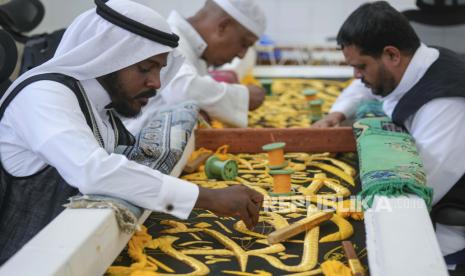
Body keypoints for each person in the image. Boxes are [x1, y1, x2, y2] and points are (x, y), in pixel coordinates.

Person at [0, 0, 262, 264]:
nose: (156, 83)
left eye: (160, 69)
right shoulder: (43, 96)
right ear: (108, 56)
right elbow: (94, 171)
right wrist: (207, 197)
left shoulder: (103, 108)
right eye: (145, 68)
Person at [313, 1, 465, 263]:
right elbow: (363, 86)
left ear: (392, 55)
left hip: (446, 226)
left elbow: (419, 187)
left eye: (361, 66)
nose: (357, 75)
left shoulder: (445, 103)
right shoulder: (420, 61)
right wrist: (336, 114)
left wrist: (344, 206)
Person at [124, 0, 266, 132]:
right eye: (244, 44)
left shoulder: (193, 50)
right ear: (223, 27)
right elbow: (181, 89)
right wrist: (242, 97)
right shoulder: (169, 39)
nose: (242, 55)